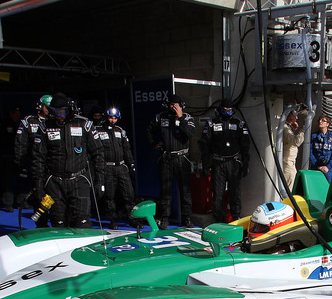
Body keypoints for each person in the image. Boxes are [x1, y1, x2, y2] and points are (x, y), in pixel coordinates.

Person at [31, 93, 104, 228]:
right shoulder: (45, 127)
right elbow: (38, 157)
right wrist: (38, 185)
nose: (59, 116)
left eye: (62, 112)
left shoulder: (84, 124)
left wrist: (100, 180)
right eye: (54, 112)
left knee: (82, 223)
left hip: (79, 180)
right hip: (55, 183)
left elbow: (98, 153)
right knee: (58, 223)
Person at [147, 94, 197, 227]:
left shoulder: (187, 117)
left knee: (185, 190)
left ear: (181, 106)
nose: (174, 107)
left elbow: (190, 133)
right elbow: (149, 130)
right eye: (171, 105)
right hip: (167, 158)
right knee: (166, 190)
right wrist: (154, 143)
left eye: (176, 105)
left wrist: (180, 117)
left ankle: (187, 218)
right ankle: (165, 218)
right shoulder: (161, 117)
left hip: (182, 158)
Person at [201, 100, 250, 223]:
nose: (227, 113)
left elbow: (245, 145)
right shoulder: (211, 124)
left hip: (234, 163)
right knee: (218, 194)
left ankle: (236, 218)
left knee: (235, 193)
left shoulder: (239, 124)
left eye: (230, 110)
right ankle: (218, 220)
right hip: (218, 163)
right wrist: (205, 165)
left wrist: (246, 164)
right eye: (225, 110)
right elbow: (205, 146)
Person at [93, 106, 136, 228]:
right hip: (108, 168)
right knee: (109, 196)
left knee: (129, 194)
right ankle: (113, 220)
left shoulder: (120, 130)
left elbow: (127, 149)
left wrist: (131, 164)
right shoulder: (97, 130)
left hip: (121, 167)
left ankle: (133, 219)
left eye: (115, 118)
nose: (112, 120)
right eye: (110, 118)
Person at [16, 95, 49, 221]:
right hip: (35, 165)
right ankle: (41, 223)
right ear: (40, 106)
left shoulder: (56, 122)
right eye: (47, 106)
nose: (49, 109)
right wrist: (22, 164)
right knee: (38, 195)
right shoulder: (29, 121)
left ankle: (58, 223)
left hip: (52, 166)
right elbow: (20, 144)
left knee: (54, 196)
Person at [309, 114, 332, 181]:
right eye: (319, 120)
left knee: (329, 186)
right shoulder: (313, 136)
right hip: (316, 167)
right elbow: (310, 152)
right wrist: (317, 166)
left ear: (327, 124)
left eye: (323, 120)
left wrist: (328, 167)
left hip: (328, 169)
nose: (320, 121)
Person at [281, 109, 304, 187]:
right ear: (290, 116)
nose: (297, 118)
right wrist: (303, 129)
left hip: (290, 161)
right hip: (287, 162)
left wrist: (292, 129)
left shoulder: (287, 127)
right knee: (288, 186)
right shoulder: (284, 128)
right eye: (296, 115)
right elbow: (296, 142)